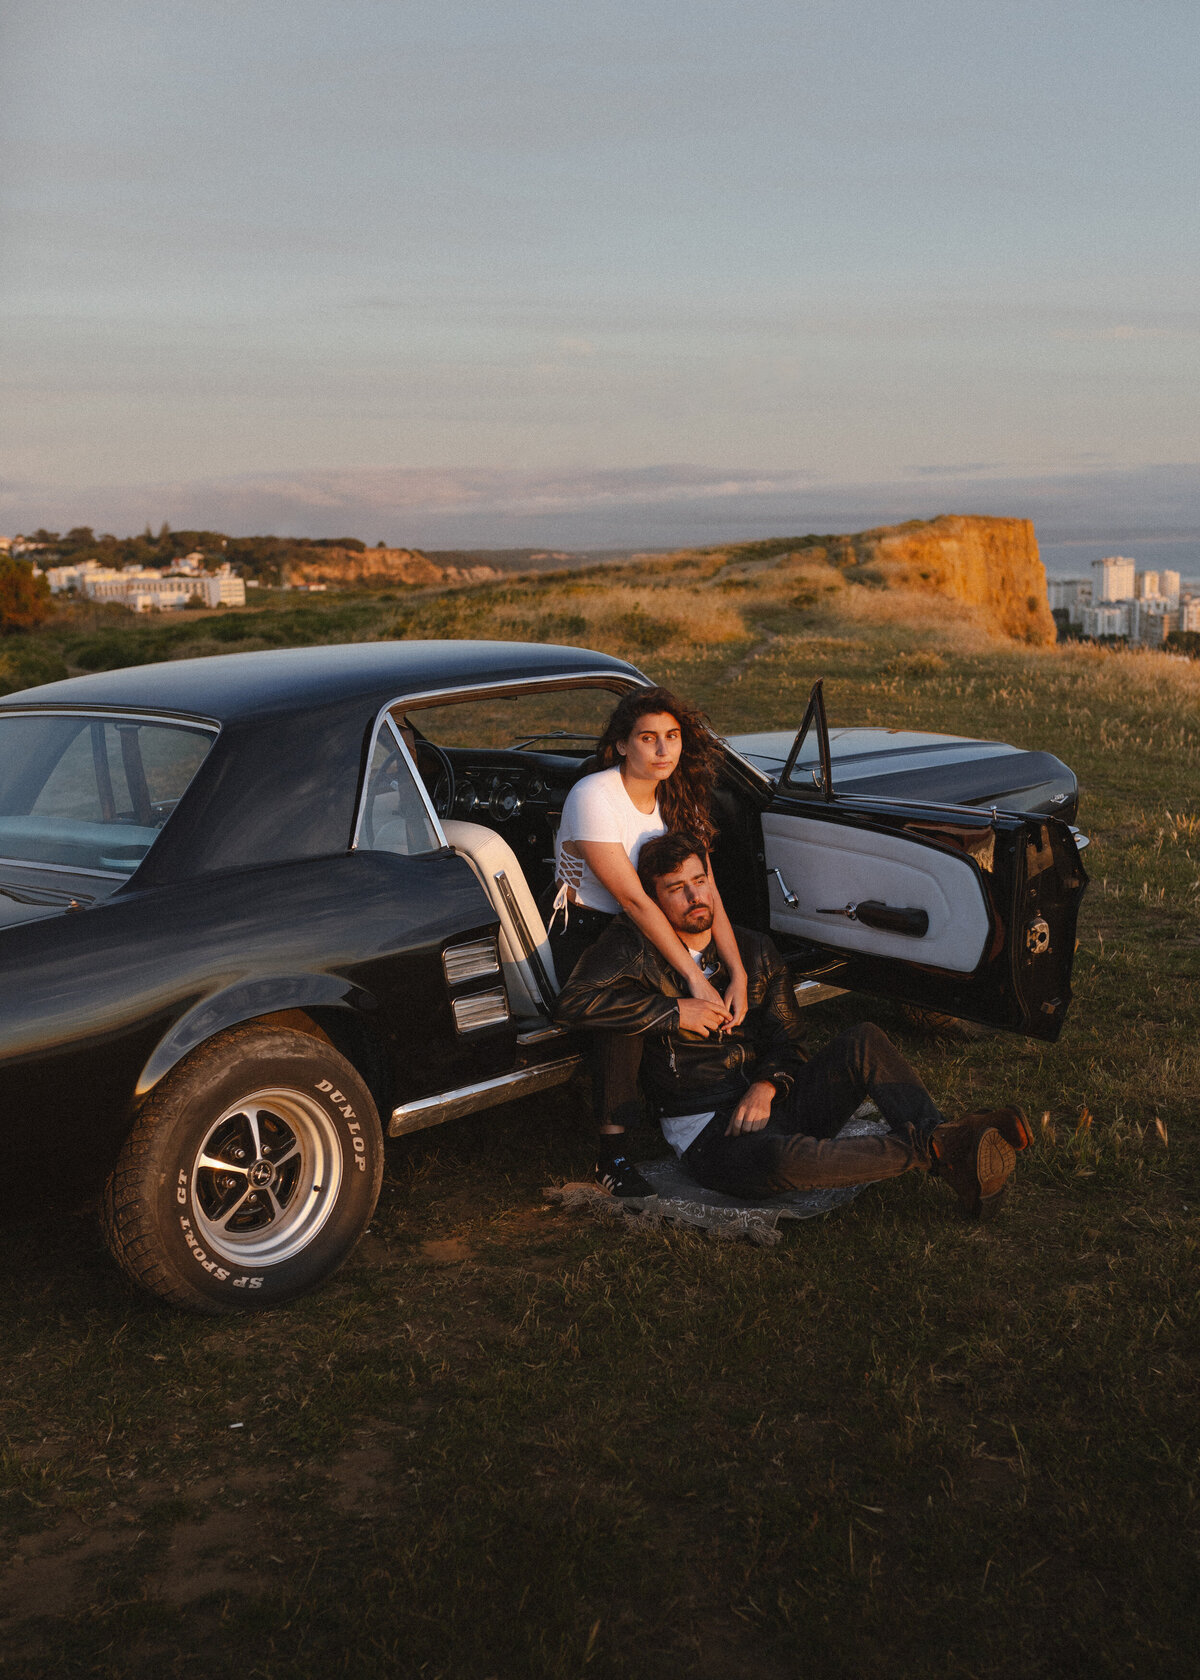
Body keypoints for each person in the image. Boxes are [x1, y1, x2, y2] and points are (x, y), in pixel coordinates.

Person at [555, 833, 1033, 1216]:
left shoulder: (753, 949)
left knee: (863, 1038)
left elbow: (790, 1041)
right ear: (654, 900)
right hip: (707, 1130)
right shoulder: (633, 948)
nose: (695, 896)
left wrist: (767, 1083)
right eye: (676, 889)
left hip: (775, 1100)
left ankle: (942, 1143)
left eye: (700, 881)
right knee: (784, 1161)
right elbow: (573, 1002)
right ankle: (946, 1144)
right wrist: (677, 1011)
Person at [548, 688, 749, 1197]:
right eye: (648, 739)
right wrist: (692, 976)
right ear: (621, 745)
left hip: (659, 923)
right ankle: (612, 1155)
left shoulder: (677, 793)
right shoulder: (594, 795)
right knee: (630, 1009)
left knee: (740, 967)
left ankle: (726, 1100)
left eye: (672, 737)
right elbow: (634, 902)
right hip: (591, 928)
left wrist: (737, 972)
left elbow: (705, 884)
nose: (663, 750)